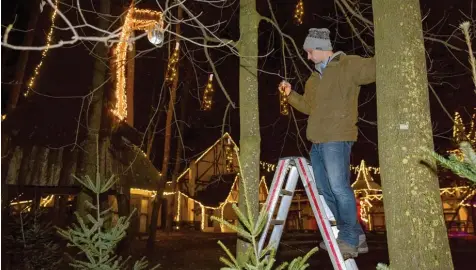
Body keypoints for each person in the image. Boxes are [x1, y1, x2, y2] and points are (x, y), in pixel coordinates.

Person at [279, 28, 375, 257]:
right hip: (318, 141)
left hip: (337, 137)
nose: (309, 57)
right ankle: (355, 234)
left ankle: (349, 239)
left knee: (339, 187)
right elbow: (308, 107)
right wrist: (291, 94)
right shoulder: (313, 79)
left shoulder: (347, 64)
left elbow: (376, 68)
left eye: (310, 52)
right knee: (324, 189)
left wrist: (389, 42)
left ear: (321, 49)